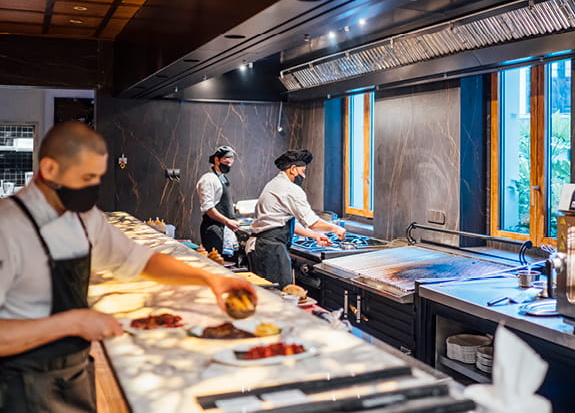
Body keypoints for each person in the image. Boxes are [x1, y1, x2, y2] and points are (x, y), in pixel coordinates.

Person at [0, 122, 256, 413]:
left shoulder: (83, 219)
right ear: (48, 169)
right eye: (86, 178)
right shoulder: (7, 227)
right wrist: (72, 323)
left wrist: (211, 280)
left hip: (73, 373)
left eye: (97, 178)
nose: (91, 189)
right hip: (15, 388)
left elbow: (140, 260)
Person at [247, 149, 346, 287]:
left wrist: (314, 236)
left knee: (266, 294)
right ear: (293, 169)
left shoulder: (273, 184)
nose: (303, 176)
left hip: (262, 246)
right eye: (302, 171)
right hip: (271, 250)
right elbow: (313, 222)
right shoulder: (290, 189)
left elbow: (280, 223)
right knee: (279, 295)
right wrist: (336, 228)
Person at [196, 145, 240, 262]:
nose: (229, 163)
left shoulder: (223, 178)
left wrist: (233, 208)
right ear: (216, 160)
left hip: (225, 229)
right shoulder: (208, 179)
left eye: (231, 161)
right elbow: (208, 208)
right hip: (213, 229)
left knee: (226, 264)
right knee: (215, 264)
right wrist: (227, 221)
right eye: (226, 160)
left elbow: (221, 202)